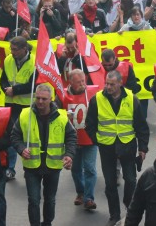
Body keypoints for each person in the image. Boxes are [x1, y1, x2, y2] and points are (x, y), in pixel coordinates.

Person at [86, 69, 149, 226]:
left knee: (131, 180)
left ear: (120, 83)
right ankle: (114, 214)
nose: (108, 87)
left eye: (112, 84)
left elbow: (141, 125)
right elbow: (90, 124)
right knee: (110, 183)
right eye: (106, 83)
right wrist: (97, 141)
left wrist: (143, 148)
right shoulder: (97, 99)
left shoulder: (132, 99)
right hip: (106, 146)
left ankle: (129, 205)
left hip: (127, 144)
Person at [10, 83, 77, 226]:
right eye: (38, 98)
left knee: (50, 199)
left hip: (52, 166)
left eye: (44, 99)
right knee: (33, 200)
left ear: (51, 99)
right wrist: (21, 149)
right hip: (32, 165)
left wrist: (69, 155)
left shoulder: (62, 117)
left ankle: (47, 222)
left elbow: (71, 137)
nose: (40, 101)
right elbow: (14, 136)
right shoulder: (25, 115)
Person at [62, 70, 100, 212]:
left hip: (89, 139)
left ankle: (89, 198)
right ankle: (81, 192)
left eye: (84, 81)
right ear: (70, 82)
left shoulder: (93, 94)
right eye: (79, 82)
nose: (83, 84)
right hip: (73, 140)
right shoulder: (63, 95)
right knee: (76, 169)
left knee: (90, 168)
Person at [0, 36, 36, 179]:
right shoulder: (8, 60)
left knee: (28, 137)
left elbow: (34, 84)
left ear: (24, 49)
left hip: (27, 106)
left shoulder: (34, 62)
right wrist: (5, 89)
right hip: (11, 105)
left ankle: (29, 168)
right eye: (11, 49)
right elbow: (3, 80)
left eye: (15, 50)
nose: (12, 52)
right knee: (10, 137)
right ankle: (10, 168)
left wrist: (15, 90)